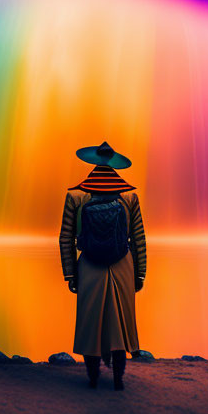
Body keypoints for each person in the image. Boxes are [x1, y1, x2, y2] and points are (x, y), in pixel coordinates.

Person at [58, 141, 147, 390]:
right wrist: (139, 273)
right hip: (123, 266)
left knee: (91, 324)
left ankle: (93, 379)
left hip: (88, 265)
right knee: (119, 324)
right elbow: (138, 238)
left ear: (92, 163)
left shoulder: (75, 196)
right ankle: (119, 380)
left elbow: (66, 237)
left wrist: (70, 274)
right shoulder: (129, 197)